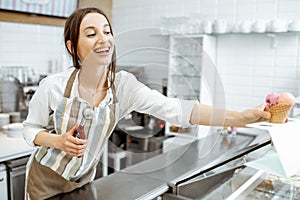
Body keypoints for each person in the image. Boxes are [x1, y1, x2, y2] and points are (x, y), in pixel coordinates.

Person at [23, 7, 271, 199]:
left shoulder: (123, 86)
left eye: (107, 32)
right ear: (72, 47)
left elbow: (179, 110)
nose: (104, 39)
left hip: (84, 180)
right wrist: (57, 140)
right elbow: (29, 129)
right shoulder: (53, 86)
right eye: (91, 34)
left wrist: (242, 117)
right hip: (44, 180)